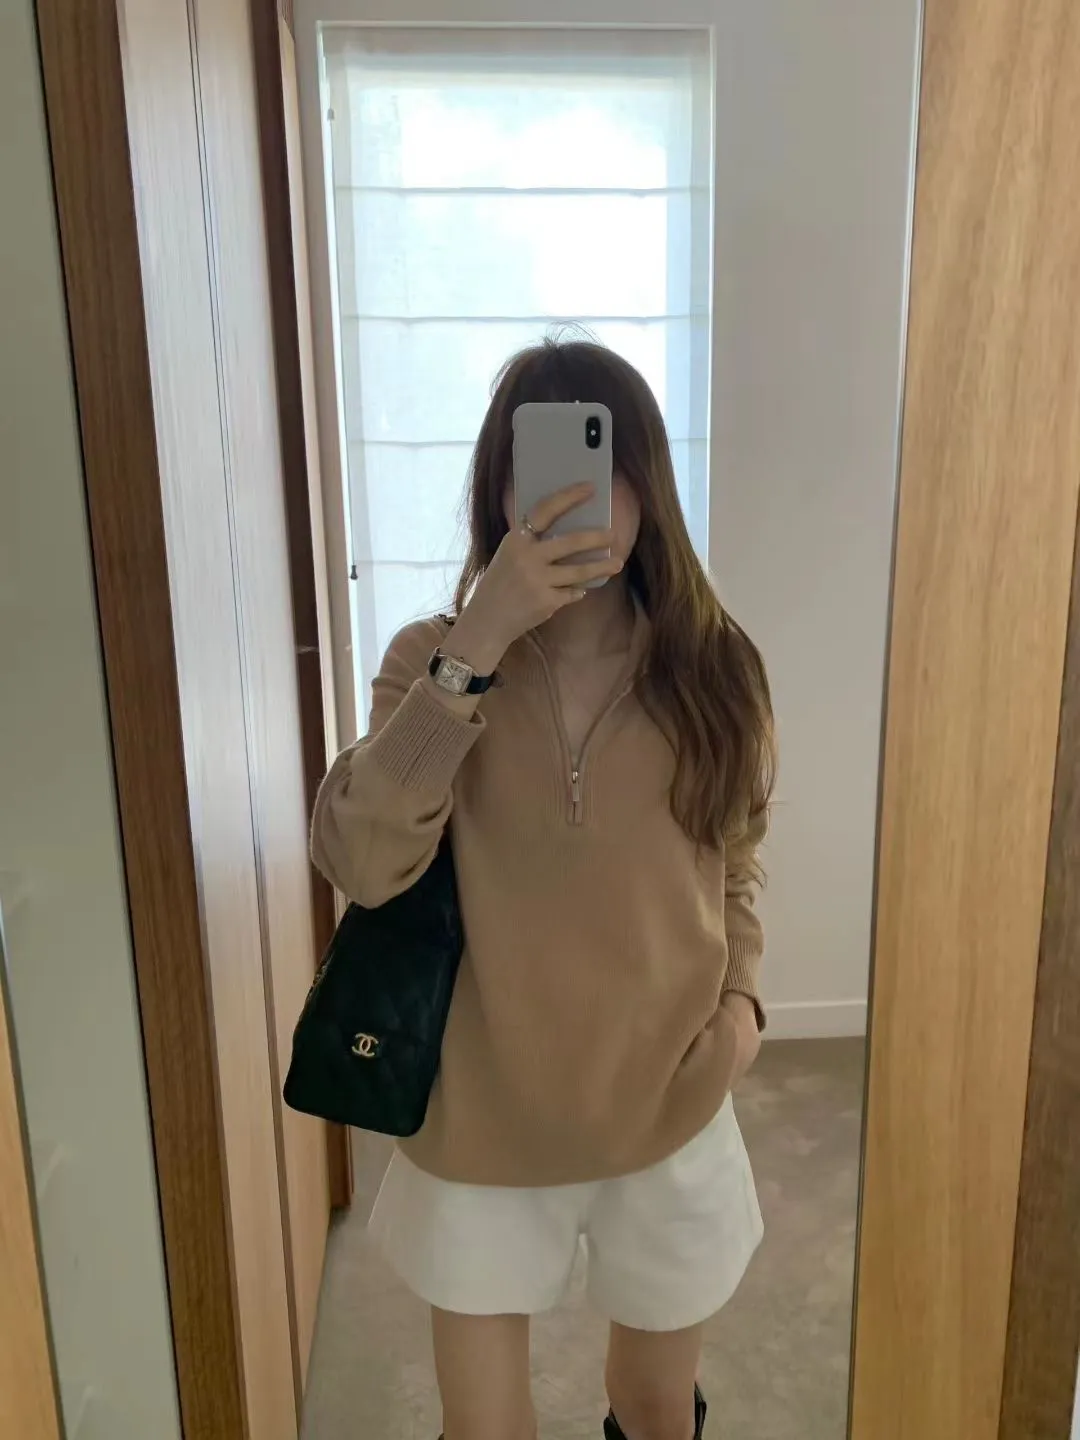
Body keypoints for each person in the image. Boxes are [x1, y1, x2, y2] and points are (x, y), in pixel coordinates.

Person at [311, 337, 776, 1440]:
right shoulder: (430, 660)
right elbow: (363, 861)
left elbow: (737, 860)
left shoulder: (713, 667)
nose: (578, 494)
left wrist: (743, 1012)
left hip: (667, 1103)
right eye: (544, 463)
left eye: (604, 458)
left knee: (655, 1408)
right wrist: (477, 644)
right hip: (479, 1118)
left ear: (647, 483)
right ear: (500, 488)